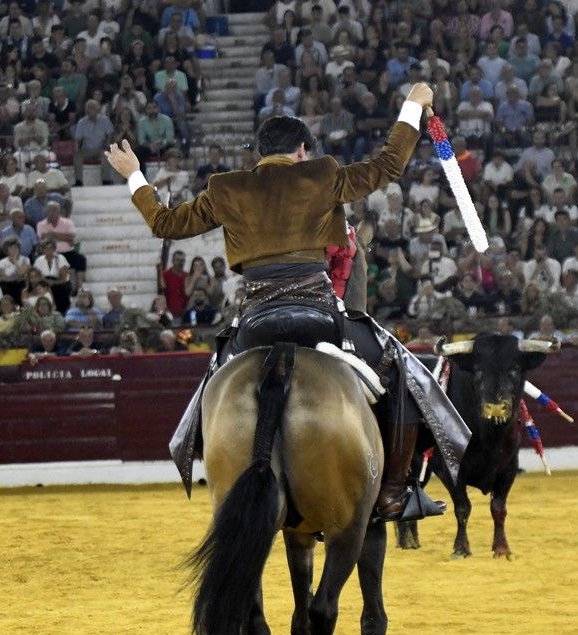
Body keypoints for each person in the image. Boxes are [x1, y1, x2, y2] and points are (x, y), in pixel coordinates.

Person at [105, 81, 468, 519]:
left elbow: (164, 222)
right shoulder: (321, 173)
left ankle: (195, 450)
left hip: (255, 318)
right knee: (399, 366)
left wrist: (134, 175)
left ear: (260, 153)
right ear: (301, 149)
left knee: (215, 380)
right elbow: (388, 165)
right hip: (320, 315)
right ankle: (394, 491)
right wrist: (412, 105)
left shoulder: (226, 187)